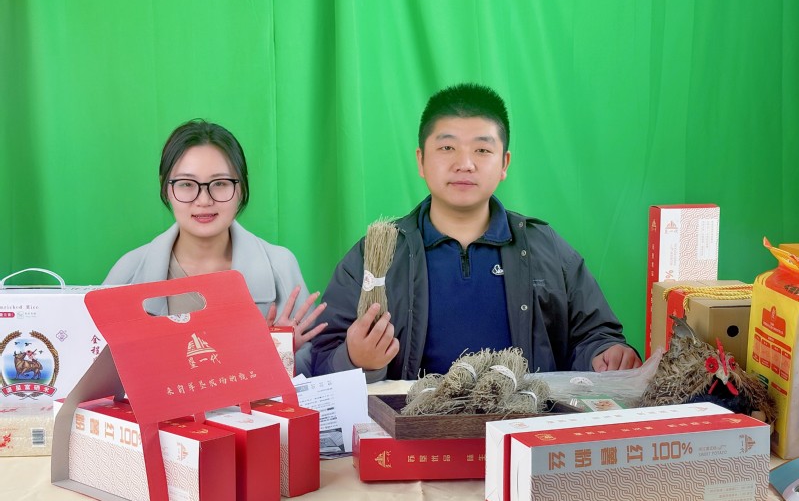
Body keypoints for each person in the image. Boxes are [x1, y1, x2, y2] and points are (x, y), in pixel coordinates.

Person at [311, 83, 641, 382]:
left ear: (504, 164)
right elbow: (320, 360)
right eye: (447, 148)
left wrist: (605, 354)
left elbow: (594, 336)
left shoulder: (546, 248)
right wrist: (355, 359)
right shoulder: (376, 255)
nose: (465, 163)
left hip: (520, 425)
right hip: (412, 427)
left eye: (482, 150)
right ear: (421, 161)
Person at [104, 119, 326, 376]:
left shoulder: (280, 266)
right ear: (166, 189)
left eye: (220, 183)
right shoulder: (129, 272)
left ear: (241, 188)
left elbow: (315, 369)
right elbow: (98, 371)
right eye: (186, 184)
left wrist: (282, 353)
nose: (204, 200)